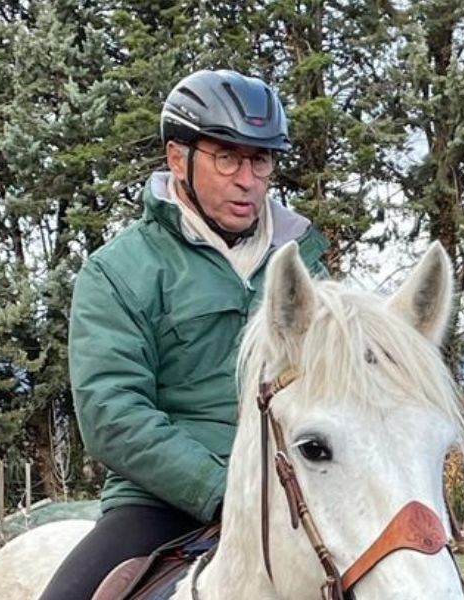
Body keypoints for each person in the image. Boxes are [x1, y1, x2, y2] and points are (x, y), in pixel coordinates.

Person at [39, 69, 328, 600]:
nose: (248, 179)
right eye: (227, 157)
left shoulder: (304, 264)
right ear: (178, 158)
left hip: (301, 494)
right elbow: (112, 413)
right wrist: (227, 494)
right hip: (160, 503)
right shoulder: (119, 270)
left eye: (260, 160)